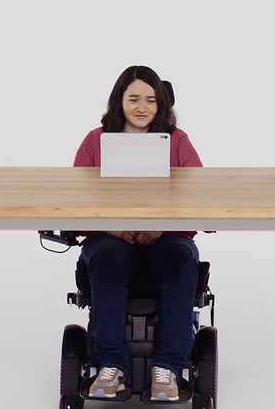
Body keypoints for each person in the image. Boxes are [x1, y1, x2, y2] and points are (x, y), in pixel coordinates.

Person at [73, 65, 202, 402]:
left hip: (166, 238)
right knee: (106, 255)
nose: (142, 107)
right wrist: (110, 227)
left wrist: (161, 227)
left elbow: (197, 197)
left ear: (162, 104)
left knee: (180, 256)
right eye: (134, 99)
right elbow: (77, 199)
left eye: (151, 100)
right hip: (110, 238)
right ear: (119, 100)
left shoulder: (177, 141)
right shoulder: (95, 141)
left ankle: (168, 368)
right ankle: (111, 365)